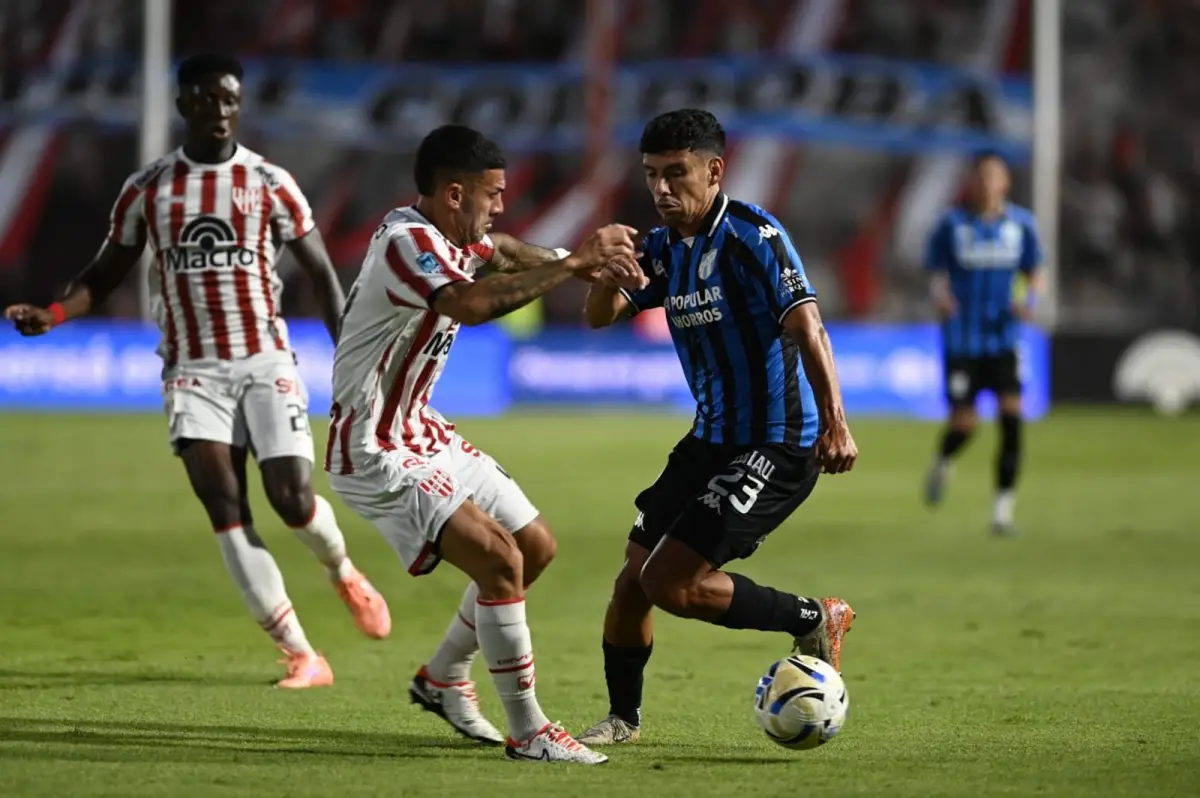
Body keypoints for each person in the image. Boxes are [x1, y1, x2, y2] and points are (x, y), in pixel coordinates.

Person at [4, 54, 390, 689]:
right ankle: (302, 654)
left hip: (265, 359)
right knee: (225, 507)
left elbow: (322, 273)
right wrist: (55, 313)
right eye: (207, 100)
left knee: (292, 499)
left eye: (229, 100)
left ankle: (342, 570)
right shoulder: (149, 188)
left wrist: (350, 357)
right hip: (192, 371)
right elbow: (103, 275)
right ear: (183, 104)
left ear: (240, 106)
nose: (219, 111)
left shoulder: (269, 182)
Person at [325, 123, 638, 764]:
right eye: (492, 193)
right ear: (454, 193)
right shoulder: (408, 243)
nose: (500, 204)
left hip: (421, 430)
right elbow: (467, 305)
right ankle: (529, 731)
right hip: (373, 446)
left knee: (534, 547)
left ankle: (442, 678)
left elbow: (506, 251)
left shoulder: (451, 234)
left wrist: (577, 260)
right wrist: (573, 264)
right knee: (498, 559)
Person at [574, 109, 858, 747]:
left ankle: (813, 617)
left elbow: (808, 325)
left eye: (676, 173)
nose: (661, 188)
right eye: (651, 175)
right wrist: (605, 281)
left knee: (668, 584)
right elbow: (599, 316)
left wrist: (836, 425)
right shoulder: (661, 247)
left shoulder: (753, 237)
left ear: (714, 171)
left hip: (776, 442)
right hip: (710, 439)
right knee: (632, 582)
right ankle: (623, 720)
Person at [922, 151, 1043, 536]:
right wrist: (940, 296)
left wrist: (1030, 300)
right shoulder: (952, 224)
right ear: (972, 182)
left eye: (995, 176)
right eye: (982, 176)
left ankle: (1002, 512)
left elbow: (1035, 271)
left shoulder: (1021, 225)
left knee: (1012, 417)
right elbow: (934, 270)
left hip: (1004, 339)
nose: (989, 183)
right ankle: (943, 458)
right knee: (965, 424)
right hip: (962, 340)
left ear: (1005, 182)